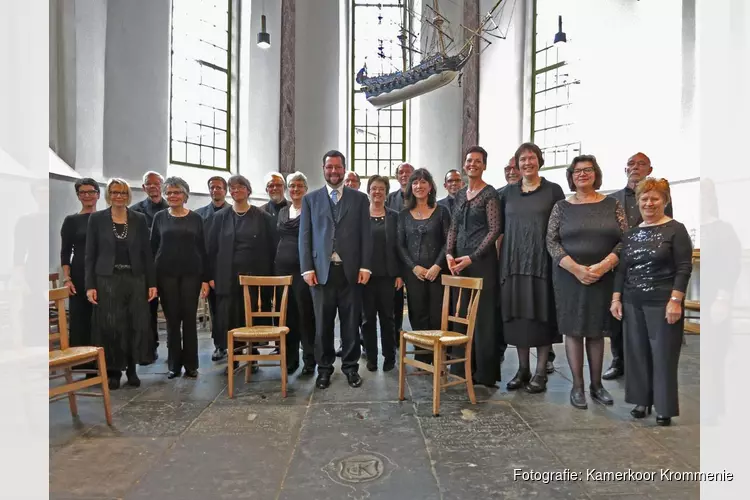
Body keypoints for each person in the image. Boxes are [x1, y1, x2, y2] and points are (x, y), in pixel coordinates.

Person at [546, 155, 627, 409]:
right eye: (578, 171)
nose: (583, 174)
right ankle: (577, 386)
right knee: (573, 329)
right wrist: (576, 269)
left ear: (596, 174)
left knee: (595, 330)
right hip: (569, 276)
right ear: (571, 176)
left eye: (588, 170)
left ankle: (597, 385)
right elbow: (551, 241)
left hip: (602, 276)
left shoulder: (613, 204)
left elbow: (626, 240)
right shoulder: (561, 206)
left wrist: (604, 266)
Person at [611, 178, 692, 426]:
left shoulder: (676, 229)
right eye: (644, 199)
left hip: (662, 301)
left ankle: (664, 407)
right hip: (633, 301)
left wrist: (676, 300)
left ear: (664, 201)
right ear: (638, 203)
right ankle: (641, 400)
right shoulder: (632, 233)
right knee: (636, 353)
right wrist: (616, 298)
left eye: (655, 198)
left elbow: (683, 267)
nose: (649, 203)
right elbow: (623, 269)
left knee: (663, 355)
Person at [299, 150, 372, 389]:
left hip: (351, 271)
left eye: (338, 167)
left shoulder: (360, 199)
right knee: (323, 325)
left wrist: (365, 266)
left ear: (344, 169)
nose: (334, 171)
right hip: (321, 272)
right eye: (329, 167)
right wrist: (307, 268)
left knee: (351, 323)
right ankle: (324, 368)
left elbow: (365, 235)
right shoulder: (311, 200)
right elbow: (305, 237)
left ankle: (351, 368)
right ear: (323, 169)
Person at [499, 143, 565, 393]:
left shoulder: (553, 191)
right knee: (519, 320)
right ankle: (523, 369)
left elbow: (562, 227)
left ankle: (540, 372)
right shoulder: (508, 193)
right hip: (514, 263)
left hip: (542, 263)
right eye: (522, 159)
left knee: (541, 317)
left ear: (540, 160)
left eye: (531, 158)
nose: (527, 163)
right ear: (516, 164)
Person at [604, 152, 673, 380]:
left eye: (641, 164)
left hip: (650, 271)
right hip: (619, 265)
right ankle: (618, 360)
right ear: (625, 170)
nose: (635, 167)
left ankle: (645, 362)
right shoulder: (612, 199)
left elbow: (666, 231)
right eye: (631, 164)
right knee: (618, 317)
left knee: (645, 319)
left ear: (650, 170)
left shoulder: (660, 200)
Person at [85, 179, 157, 389]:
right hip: (107, 279)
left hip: (135, 278)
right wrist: (90, 285)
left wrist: (151, 283)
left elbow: (147, 253)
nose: (119, 196)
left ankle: (132, 369)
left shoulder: (139, 219)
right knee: (111, 325)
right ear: (108, 194)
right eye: (115, 192)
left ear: (128, 195)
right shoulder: (97, 219)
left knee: (136, 324)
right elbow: (90, 254)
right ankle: (114, 371)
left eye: (123, 193)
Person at [207, 175, 277, 373]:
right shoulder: (219, 218)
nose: (236, 191)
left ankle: (252, 356)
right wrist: (210, 275)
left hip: (256, 276)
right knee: (229, 317)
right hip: (227, 276)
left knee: (251, 316)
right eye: (232, 188)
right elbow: (211, 249)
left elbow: (272, 248)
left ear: (248, 190)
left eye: (240, 187)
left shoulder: (263, 218)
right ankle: (234, 357)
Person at [445, 146, 502, 387]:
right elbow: (454, 227)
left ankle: (484, 373)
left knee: (483, 318)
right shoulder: (459, 195)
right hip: (458, 262)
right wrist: (449, 253)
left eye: (478, 161)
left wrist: (473, 257)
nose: (472, 164)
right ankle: (460, 367)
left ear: (484, 165)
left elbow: (494, 229)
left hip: (481, 263)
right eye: (469, 161)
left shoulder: (490, 194)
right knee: (460, 315)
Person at [150, 177, 210, 379]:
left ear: (185, 195)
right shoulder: (159, 217)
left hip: (191, 275)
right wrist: (151, 281)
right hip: (165, 275)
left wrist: (205, 279)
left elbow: (203, 249)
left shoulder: (196, 219)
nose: (173, 196)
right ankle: (174, 365)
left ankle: (191, 364)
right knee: (172, 321)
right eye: (169, 192)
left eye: (177, 192)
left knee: (189, 320)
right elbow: (152, 249)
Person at [397, 168, 451, 364]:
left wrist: (437, 266)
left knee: (437, 315)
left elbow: (448, 242)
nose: (419, 186)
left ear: (430, 187)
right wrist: (413, 267)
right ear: (411, 187)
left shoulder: (441, 211)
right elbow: (400, 245)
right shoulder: (403, 215)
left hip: (437, 273)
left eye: (423, 182)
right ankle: (422, 358)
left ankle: (438, 358)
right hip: (415, 275)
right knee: (417, 315)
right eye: (415, 182)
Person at [274, 172, 316, 375]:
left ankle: (310, 359)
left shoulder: (311, 210)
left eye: (299, 186)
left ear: (305, 189)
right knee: (287, 316)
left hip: (303, 270)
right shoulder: (283, 212)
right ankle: (290, 359)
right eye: (292, 186)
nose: (295, 189)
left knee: (305, 315)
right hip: (282, 270)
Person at [361, 175, 403, 372]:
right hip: (365, 277)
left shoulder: (395, 216)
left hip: (388, 276)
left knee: (388, 318)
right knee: (367, 319)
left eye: (381, 189)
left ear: (386, 193)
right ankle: (371, 357)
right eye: (374, 188)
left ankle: (389, 356)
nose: (377, 192)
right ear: (368, 191)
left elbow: (400, 247)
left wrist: (400, 274)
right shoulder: (360, 216)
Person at [60, 178, 100, 369]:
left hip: (102, 273)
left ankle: (105, 362)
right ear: (78, 196)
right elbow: (65, 252)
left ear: (98, 194)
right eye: (82, 192)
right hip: (79, 272)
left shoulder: (105, 217)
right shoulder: (71, 221)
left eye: (90, 191)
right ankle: (85, 363)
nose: (87, 195)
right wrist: (67, 278)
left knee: (102, 318)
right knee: (82, 317)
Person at [130, 170, 168, 361]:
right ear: (144, 188)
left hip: (168, 265)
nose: (153, 187)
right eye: (149, 184)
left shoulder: (172, 207)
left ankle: (175, 350)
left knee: (172, 309)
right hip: (145, 267)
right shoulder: (135, 211)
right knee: (147, 310)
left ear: (162, 185)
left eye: (156, 183)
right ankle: (149, 347)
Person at [195, 176, 230, 361]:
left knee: (233, 311)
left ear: (225, 190)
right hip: (211, 271)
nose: (215, 190)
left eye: (219, 187)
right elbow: (200, 248)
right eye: (212, 187)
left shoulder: (233, 212)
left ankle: (237, 346)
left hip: (230, 270)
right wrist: (205, 277)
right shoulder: (200, 215)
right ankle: (220, 345)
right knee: (216, 311)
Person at [386, 162, 414, 341]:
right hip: (396, 254)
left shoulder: (419, 195)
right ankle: (395, 334)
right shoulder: (390, 198)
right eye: (401, 172)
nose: (404, 175)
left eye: (408, 172)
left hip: (416, 254)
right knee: (395, 300)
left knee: (416, 301)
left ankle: (420, 337)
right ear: (397, 176)